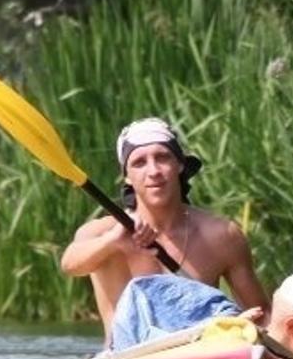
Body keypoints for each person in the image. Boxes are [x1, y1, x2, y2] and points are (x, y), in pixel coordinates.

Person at [61, 117, 267, 346]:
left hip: (202, 350)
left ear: (179, 164)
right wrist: (113, 242)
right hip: (127, 356)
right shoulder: (101, 232)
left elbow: (262, 315)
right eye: (139, 162)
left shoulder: (222, 235)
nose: (154, 171)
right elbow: (70, 265)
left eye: (162, 157)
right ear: (127, 176)